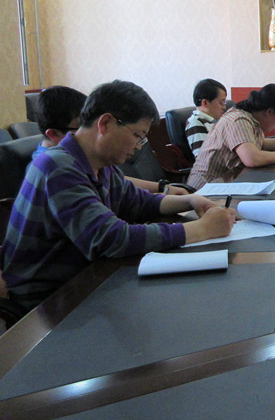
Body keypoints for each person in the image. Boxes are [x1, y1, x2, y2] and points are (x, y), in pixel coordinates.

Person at [2, 80, 236, 310]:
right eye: (137, 135)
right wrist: (202, 229)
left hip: (89, 276)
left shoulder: (100, 163)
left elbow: (137, 201)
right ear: (105, 123)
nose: (139, 146)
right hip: (49, 300)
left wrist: (189, 200)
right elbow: (109, 239)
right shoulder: (56, 166)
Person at [32, 85, 189, 196]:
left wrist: (165, 190)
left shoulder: (95, 163)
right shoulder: (56, 167)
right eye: (80, 127)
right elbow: (105, 230)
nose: (88, 131)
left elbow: (123, 189)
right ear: (53, 134)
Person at [187, 84, 275, 189]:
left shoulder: (251, 119)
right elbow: (252, 158)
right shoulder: (239, 120)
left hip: (225, 184)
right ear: (269, 112)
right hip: (205, 189)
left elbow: (259, 143)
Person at [32, 85, 86, 160]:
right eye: (83, 126)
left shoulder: (69, 153)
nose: (90, 131)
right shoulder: (52, 165)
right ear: (54, 134)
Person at [186, 78, 228, 156]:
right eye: (221, 103)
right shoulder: (196, 122)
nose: (224, 107)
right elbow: (204, 157)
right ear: (205, 103)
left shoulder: (217, 121)